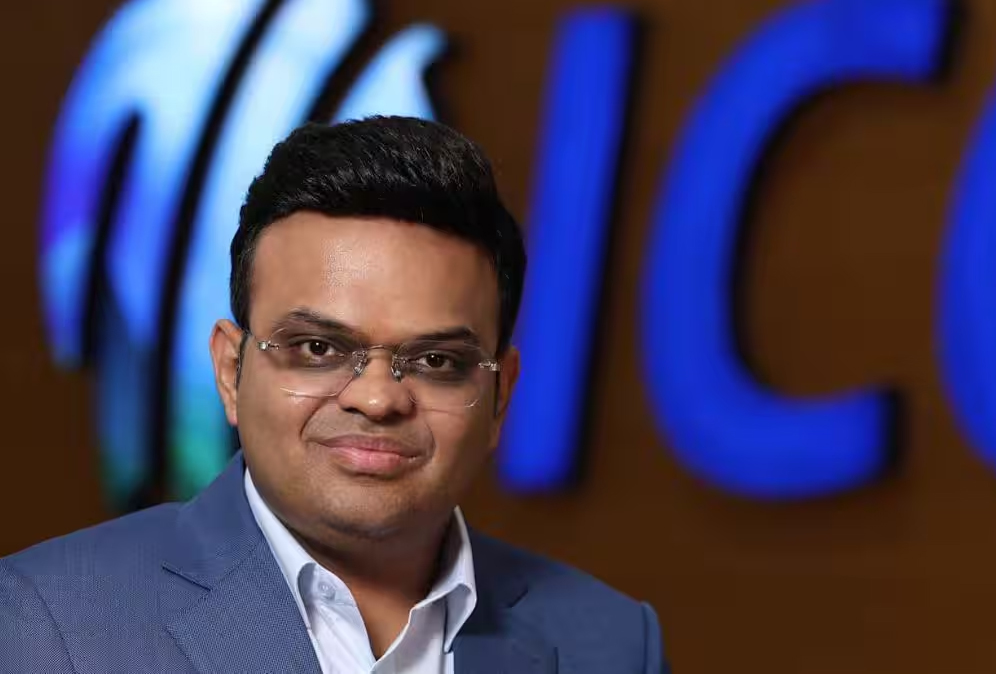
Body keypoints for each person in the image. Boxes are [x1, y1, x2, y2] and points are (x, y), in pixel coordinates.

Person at [1, 116, 668, 673]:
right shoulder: (45, 621)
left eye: (436, 360)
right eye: (319, 348)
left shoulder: (613, 643)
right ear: (231, 370)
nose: (377, 400)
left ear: (500, 395)